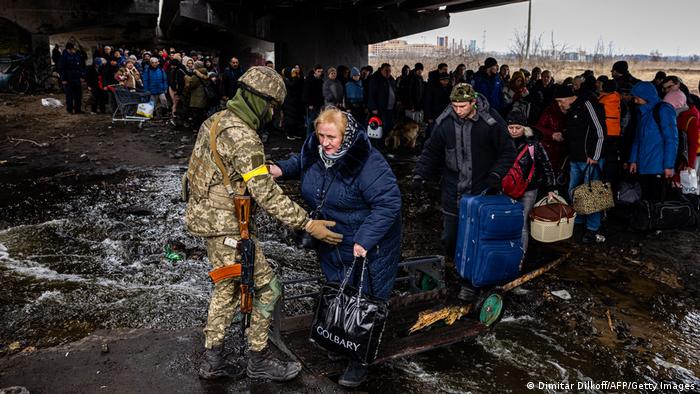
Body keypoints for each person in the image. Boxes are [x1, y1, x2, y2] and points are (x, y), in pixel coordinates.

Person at [184, 66, 342, 381]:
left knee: (226, 288)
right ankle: (258, 359)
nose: (272, 113)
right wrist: (308, 224)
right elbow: (266, 194)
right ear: (259, 100)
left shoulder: (216, 121)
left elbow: (200, 174)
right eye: (271, 105)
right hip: (227, 226)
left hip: (208, 221)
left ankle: (212, 359)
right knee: (270, 289)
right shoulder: (243, 135)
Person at [270, 107, 401, 388]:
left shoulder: (367, 162)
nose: (325, 143)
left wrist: (364, 240)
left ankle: (360, 360)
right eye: (320, 136)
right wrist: (280, 168)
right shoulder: (317, 150)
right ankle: (340, 340)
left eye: (331, 137)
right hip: (332, 239)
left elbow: (389, 204)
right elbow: (302, 162)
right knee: (339, 289)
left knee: (363, 298)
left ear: (348, 135)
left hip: (368, 244)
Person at [413, 83, 516, 302]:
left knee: (476, 239)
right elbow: (431, 151)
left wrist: (496, 175)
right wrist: (419, 174)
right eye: (454, 105)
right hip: (453, 191)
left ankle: (470, 283)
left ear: (473, 103)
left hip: (481, 192)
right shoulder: (445, 123)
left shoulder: (490, 123)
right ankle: (458, 268)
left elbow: (508, 151)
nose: (458, 110)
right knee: (450, 237)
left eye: (462, 106)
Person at [554, 84, 607, 244]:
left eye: (560, 101)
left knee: (591, 194)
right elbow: (575, 131)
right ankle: (578, 221)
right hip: (575, 158)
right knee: (574, 192)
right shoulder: (571, 111)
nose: (559, 104)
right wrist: (563, 135)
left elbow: (600, 131)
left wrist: (595, 155)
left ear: (570, 98)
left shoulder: (587, 105)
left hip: (590, 159)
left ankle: (592, 228)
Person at [505, 110, 557, 253]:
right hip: (506, 188)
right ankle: (505, 253)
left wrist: (551, 187)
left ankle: (520, 256)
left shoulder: (533, 144)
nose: (514, 131)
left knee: (521, 224)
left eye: (518, 128)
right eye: (511, 128)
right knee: (504, 220)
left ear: (525, 128)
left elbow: (546, 165)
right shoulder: (502, 141)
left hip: (528, 189)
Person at [628, 82, 678, 202]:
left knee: (656, 200)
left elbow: (671, 139)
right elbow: (637, 139)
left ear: (645, 96)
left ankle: (655, 220)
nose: (635, 101)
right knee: (645, 201)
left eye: (637, 98)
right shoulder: (642, 112)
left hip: (658, 165)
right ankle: (647, 220)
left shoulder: (663, 110)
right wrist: (633, 160)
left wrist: (669, 166)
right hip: (643, 165)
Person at [367, 63, 397, 136]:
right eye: (386, 70)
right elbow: (371, 94)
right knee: (381, 126)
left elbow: (394, 92)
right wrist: (373, 107)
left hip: (390, 108)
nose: (388, 72)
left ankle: (387, 142)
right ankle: (379, 144)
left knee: (389, 126)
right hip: (380, 108)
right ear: (381, 70)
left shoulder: (391, 79)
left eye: (389, 70)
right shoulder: (375, 79)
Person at [58, 42, 86, 114]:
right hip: (68, 79)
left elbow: (81, 67)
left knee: (78, 95)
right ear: (69, 49)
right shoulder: (63, 57)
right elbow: (61, 69)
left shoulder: (77, 55)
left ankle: (78, 109)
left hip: (77, 78)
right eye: (73, 49)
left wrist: (82, 76)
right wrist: (63, 79)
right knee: (69, 96)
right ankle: (70, 110)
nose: (75, 50)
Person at [422, 72, 452, 140]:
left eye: (447, 80)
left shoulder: (450, 88)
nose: (446, 82)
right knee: (432, 132)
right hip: (434, 115)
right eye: (444, 80)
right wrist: (428, 116)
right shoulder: (433, 88)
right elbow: (427, 103)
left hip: (445, 114)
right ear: (440, 80)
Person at [184, 60, 210, 130]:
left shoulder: (196, 75)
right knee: (202, 114)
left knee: (197, 115)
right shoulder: (206, 73)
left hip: (196, 98)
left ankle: (197, 128)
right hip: (204, 97)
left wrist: (187, 79)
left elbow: (190, 85)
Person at [282, 66, 306, 140]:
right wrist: (295, 77)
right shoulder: (285, 80)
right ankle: (289, 134)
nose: (294, 73)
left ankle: (295, 133)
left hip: (295, 102)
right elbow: (292, 85)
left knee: (296, 119)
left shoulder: (294, 79)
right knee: (289, 119)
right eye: (292, 72)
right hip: (288, 102)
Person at [303, 65, 325, 135]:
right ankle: (308, 138)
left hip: (319, 104)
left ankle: (314, 138)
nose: (320, 73)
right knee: (310, 122)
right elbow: (306, 93)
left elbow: (321, 94)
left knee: (317, 122)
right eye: (318, 71)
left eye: (321, 71)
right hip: (312, 104)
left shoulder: (321, 80)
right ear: (314, 71)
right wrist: (309, 104)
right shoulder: (309, 80)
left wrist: (322, 104)